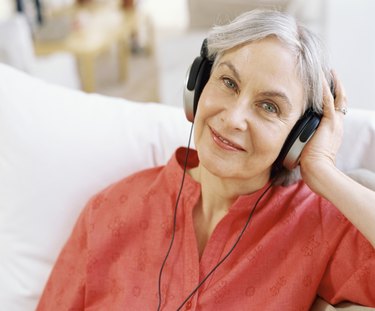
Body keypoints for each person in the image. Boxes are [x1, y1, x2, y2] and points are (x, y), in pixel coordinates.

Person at [36, 9, 375, 310]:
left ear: (299, 137)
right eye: (228, 82)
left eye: (269, 107)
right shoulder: (110, 210)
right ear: (198, 84)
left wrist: (322, 171)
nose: (233, 118)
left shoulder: (320, 225)